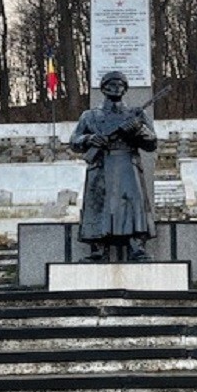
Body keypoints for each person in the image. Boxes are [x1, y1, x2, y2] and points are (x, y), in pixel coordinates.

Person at [70, 71, 157, 262]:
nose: (116, 88)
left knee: (132, 204)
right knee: (99, 205)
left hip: (127, 163)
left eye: (120, 84)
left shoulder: (136, 114)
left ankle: (136, 246)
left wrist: (137, 130)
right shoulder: (89, 116)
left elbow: (151, 143)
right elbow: (74, 142)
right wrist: (90, 138)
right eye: (111, 84)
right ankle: (98, 248)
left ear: (125, 89)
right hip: (101, 164)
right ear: (103, 88)